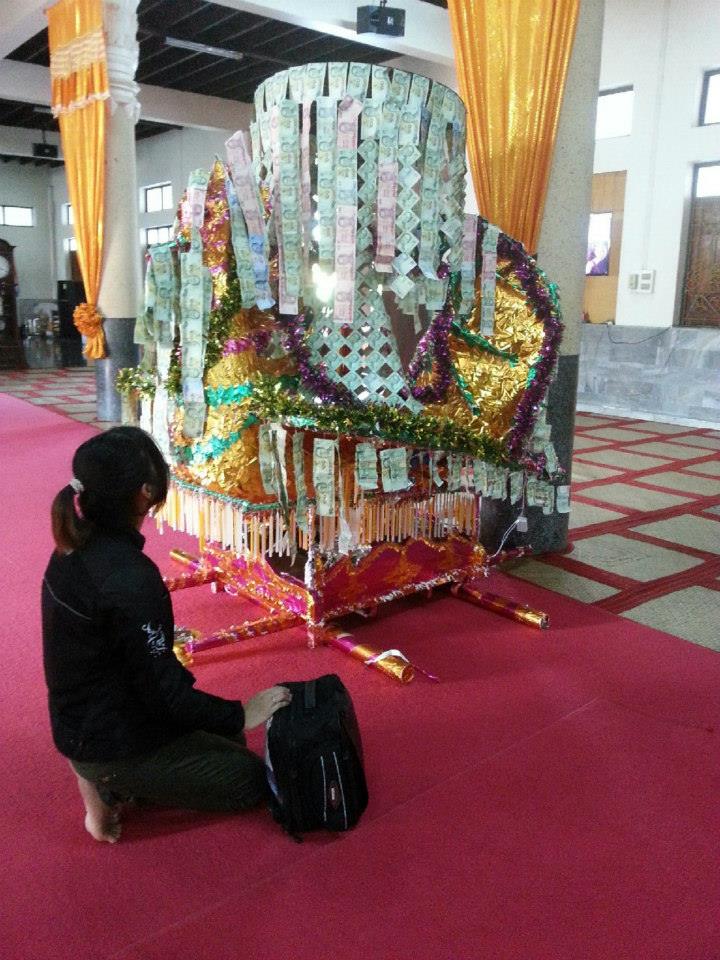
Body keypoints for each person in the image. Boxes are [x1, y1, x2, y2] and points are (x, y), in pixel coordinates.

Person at [42, 426, 292, 843]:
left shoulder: (71, 548)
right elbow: (164, 694)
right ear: (145, 493)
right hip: (109, 742)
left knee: (227, 737)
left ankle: (109, 780)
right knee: (250, 779)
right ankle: (109, 786)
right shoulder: (130, 579)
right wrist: (240, 712)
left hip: (80, 725)